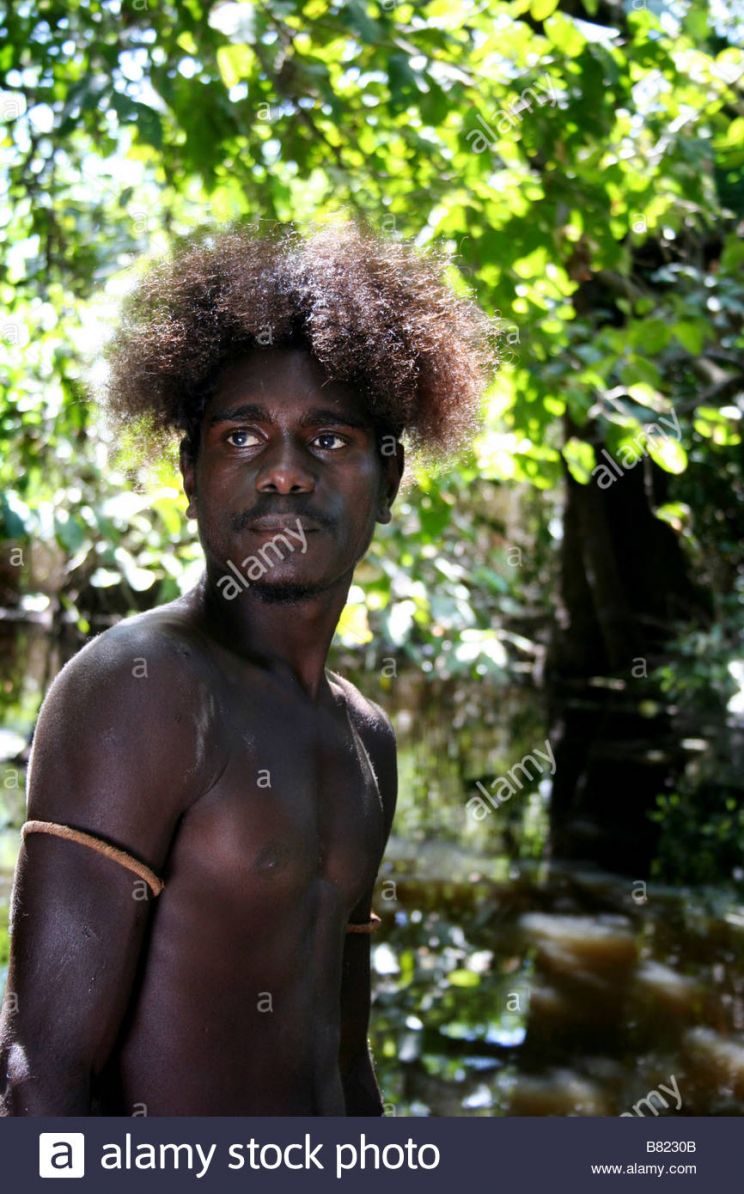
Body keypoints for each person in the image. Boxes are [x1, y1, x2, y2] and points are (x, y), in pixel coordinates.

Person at [0, 222, 494, 1115]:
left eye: (330, 440)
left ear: (389, 481)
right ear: (190, 472)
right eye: (241, 437)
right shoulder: (143, 688)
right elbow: (40, 1075)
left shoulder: (366, 739)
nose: (285, 474)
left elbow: (345, 1061)